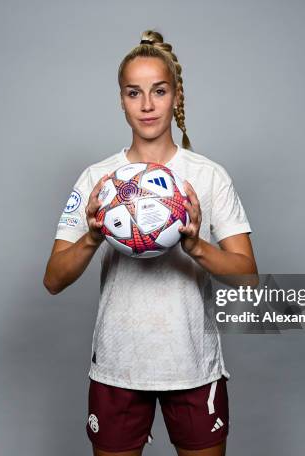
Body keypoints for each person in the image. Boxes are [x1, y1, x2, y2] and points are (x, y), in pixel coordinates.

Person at [44, 29, 258, 456]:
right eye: (133, 92)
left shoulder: (209, 176)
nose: (146, 104)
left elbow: (249, 279)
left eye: (158, 91)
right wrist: (92, 235)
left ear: (176, 97)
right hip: (118, 368)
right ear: (121, 100)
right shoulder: (98, 181)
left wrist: (197, 247)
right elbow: (53, 279)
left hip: (193, 368)